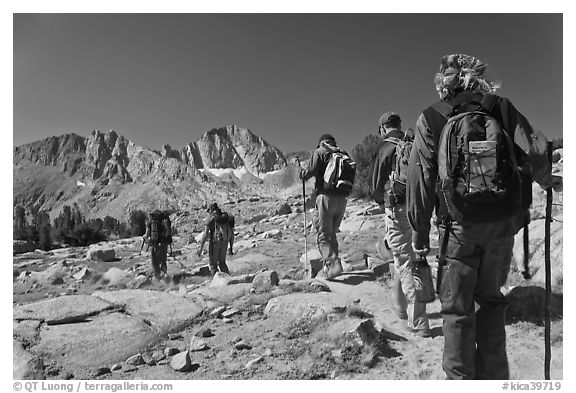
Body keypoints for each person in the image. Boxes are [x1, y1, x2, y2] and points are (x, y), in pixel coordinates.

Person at [406, 54, 555, 379]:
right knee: (490, 300)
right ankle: (496, 377)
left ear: (443, 86)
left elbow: (422, 181)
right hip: (502, 225)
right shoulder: (501, 107)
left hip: (457, 227)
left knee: (457, 312)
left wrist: (418, 235)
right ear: (478, 81)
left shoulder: (431, 117)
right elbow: (536, 150)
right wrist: (546, 181)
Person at [370, 112, 430, 337]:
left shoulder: (384, 147)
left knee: (404, 261)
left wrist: (380, 202)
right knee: (417, 258)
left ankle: (420, 322)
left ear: (383, 128)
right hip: (420, 208)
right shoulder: (413, 144)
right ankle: (403, 307)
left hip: (397, 209)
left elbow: (375, 184)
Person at [299, 133, 350, 278]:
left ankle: (332, 265)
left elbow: (311, 171)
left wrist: (303, 174)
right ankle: (334, 265)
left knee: (324, 234)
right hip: (342, 199)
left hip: (326, 198)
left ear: (321, 142)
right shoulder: (343, 153)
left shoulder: (320, 151)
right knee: (332, 233)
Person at [197, 203, 233, 276]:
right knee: (222, 263)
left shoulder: (210, 218)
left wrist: (201, 248)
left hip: (215, 243)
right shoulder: (225, 217)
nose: (208, 212)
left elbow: (205, 234)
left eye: (208, 210)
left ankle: (217, 282)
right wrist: (231, 247)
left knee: (213, 265)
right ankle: (228, 279)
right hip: (225, 241)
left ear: (211, 209)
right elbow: (232, 232)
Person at [143, 209, 171, 279]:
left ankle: (157, 276)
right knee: (163, 258)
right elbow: (168, 232)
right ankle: (165, 274)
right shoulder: (163, 221)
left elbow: (146, 235)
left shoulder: (150, 223)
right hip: (164, 242)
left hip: (155, 243)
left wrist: (144, 238)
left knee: (154, 260)